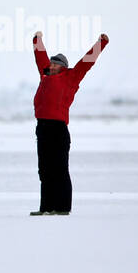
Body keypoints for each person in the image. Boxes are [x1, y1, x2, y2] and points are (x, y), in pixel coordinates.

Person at [31, 30, 109, 215]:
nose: (50, 65)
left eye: (54, 63)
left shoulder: (71, 77)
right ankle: (46, 208)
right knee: (45, 170)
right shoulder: (45, 76)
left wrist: (101, 43)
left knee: (59, 170)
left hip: (58, 130)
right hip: (42, 128)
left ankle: (63, 208)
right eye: (50, 62)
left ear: (62, 66)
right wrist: (37, 39)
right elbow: (39, 57)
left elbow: (86, 62)